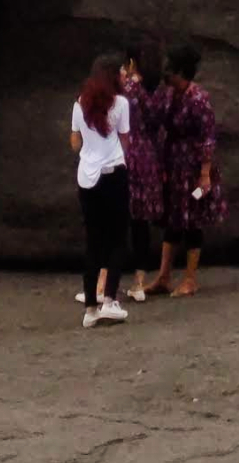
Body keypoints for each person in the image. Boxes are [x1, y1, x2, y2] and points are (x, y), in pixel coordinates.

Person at [149, 43, 226, 300]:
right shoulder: (169, 95)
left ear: (179, 70)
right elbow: (154, 118)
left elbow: (207, 138)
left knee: (193, 218)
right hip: (174, 166)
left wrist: (204, 175)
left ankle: (190, 279)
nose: (165, 71)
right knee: (173, 219)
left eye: (170, 67)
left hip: (194, 171)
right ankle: (163, 276)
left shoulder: (198, 99)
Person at [67, 52, 135, 327]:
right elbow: (125, 139)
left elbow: (74, 143)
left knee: (93, 241)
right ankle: (110, 300)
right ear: (112, 75)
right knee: (118, 237)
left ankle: (90, 309)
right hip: (113, 174)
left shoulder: (79, 103)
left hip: (87, 178)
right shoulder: (120, 104)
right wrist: (113, 154)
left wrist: (89, 151)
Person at [114, 54, 164, 303]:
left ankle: (105, 282)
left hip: (125, 154)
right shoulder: (154, 90)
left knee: (118, 218)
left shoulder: (126, 88)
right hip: (147, 156)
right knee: (140, 222)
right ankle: (140, 282)